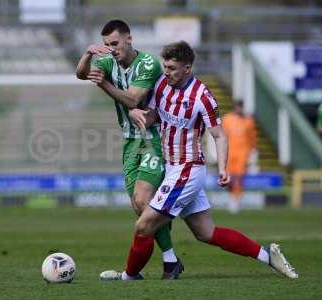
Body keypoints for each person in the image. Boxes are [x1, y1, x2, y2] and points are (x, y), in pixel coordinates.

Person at [100, 41, 298, 281]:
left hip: (187, 170)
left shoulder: (203, 97)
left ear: (187, 68)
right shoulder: (161, 85)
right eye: (165, 66)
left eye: (172, 68)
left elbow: (219, 135)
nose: (167, 72)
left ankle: (128, 276)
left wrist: (223, 168)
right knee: (206, 232)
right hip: (171, 166)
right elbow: (152, 117)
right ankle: (268, 256)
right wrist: (136, 113)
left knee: (144, 225)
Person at [76, 20, 183, 279]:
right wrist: (89, 54)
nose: (111, 49)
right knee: (139, 206)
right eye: (106, 45)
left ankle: (167, 261)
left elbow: (134, 99)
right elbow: (80, 74)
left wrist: (105, 85)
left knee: (144, 201)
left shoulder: (147, 64)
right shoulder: (107, 60)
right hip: (129, 142)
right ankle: (169, 256)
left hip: (152, 139)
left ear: (129, 39)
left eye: (115, 43)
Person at [222, 101, 257, 213]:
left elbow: (252, 138)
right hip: (229, 152)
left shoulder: (248, 121)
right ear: (235, 107)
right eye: (238, 107)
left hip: (243, 153)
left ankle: (236, 200)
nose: (239, 109)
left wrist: (253, 151)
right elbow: (221, 136)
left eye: (241, 107)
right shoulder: (227, 119)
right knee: (228, 178)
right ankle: (231, 196)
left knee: (239, 177)